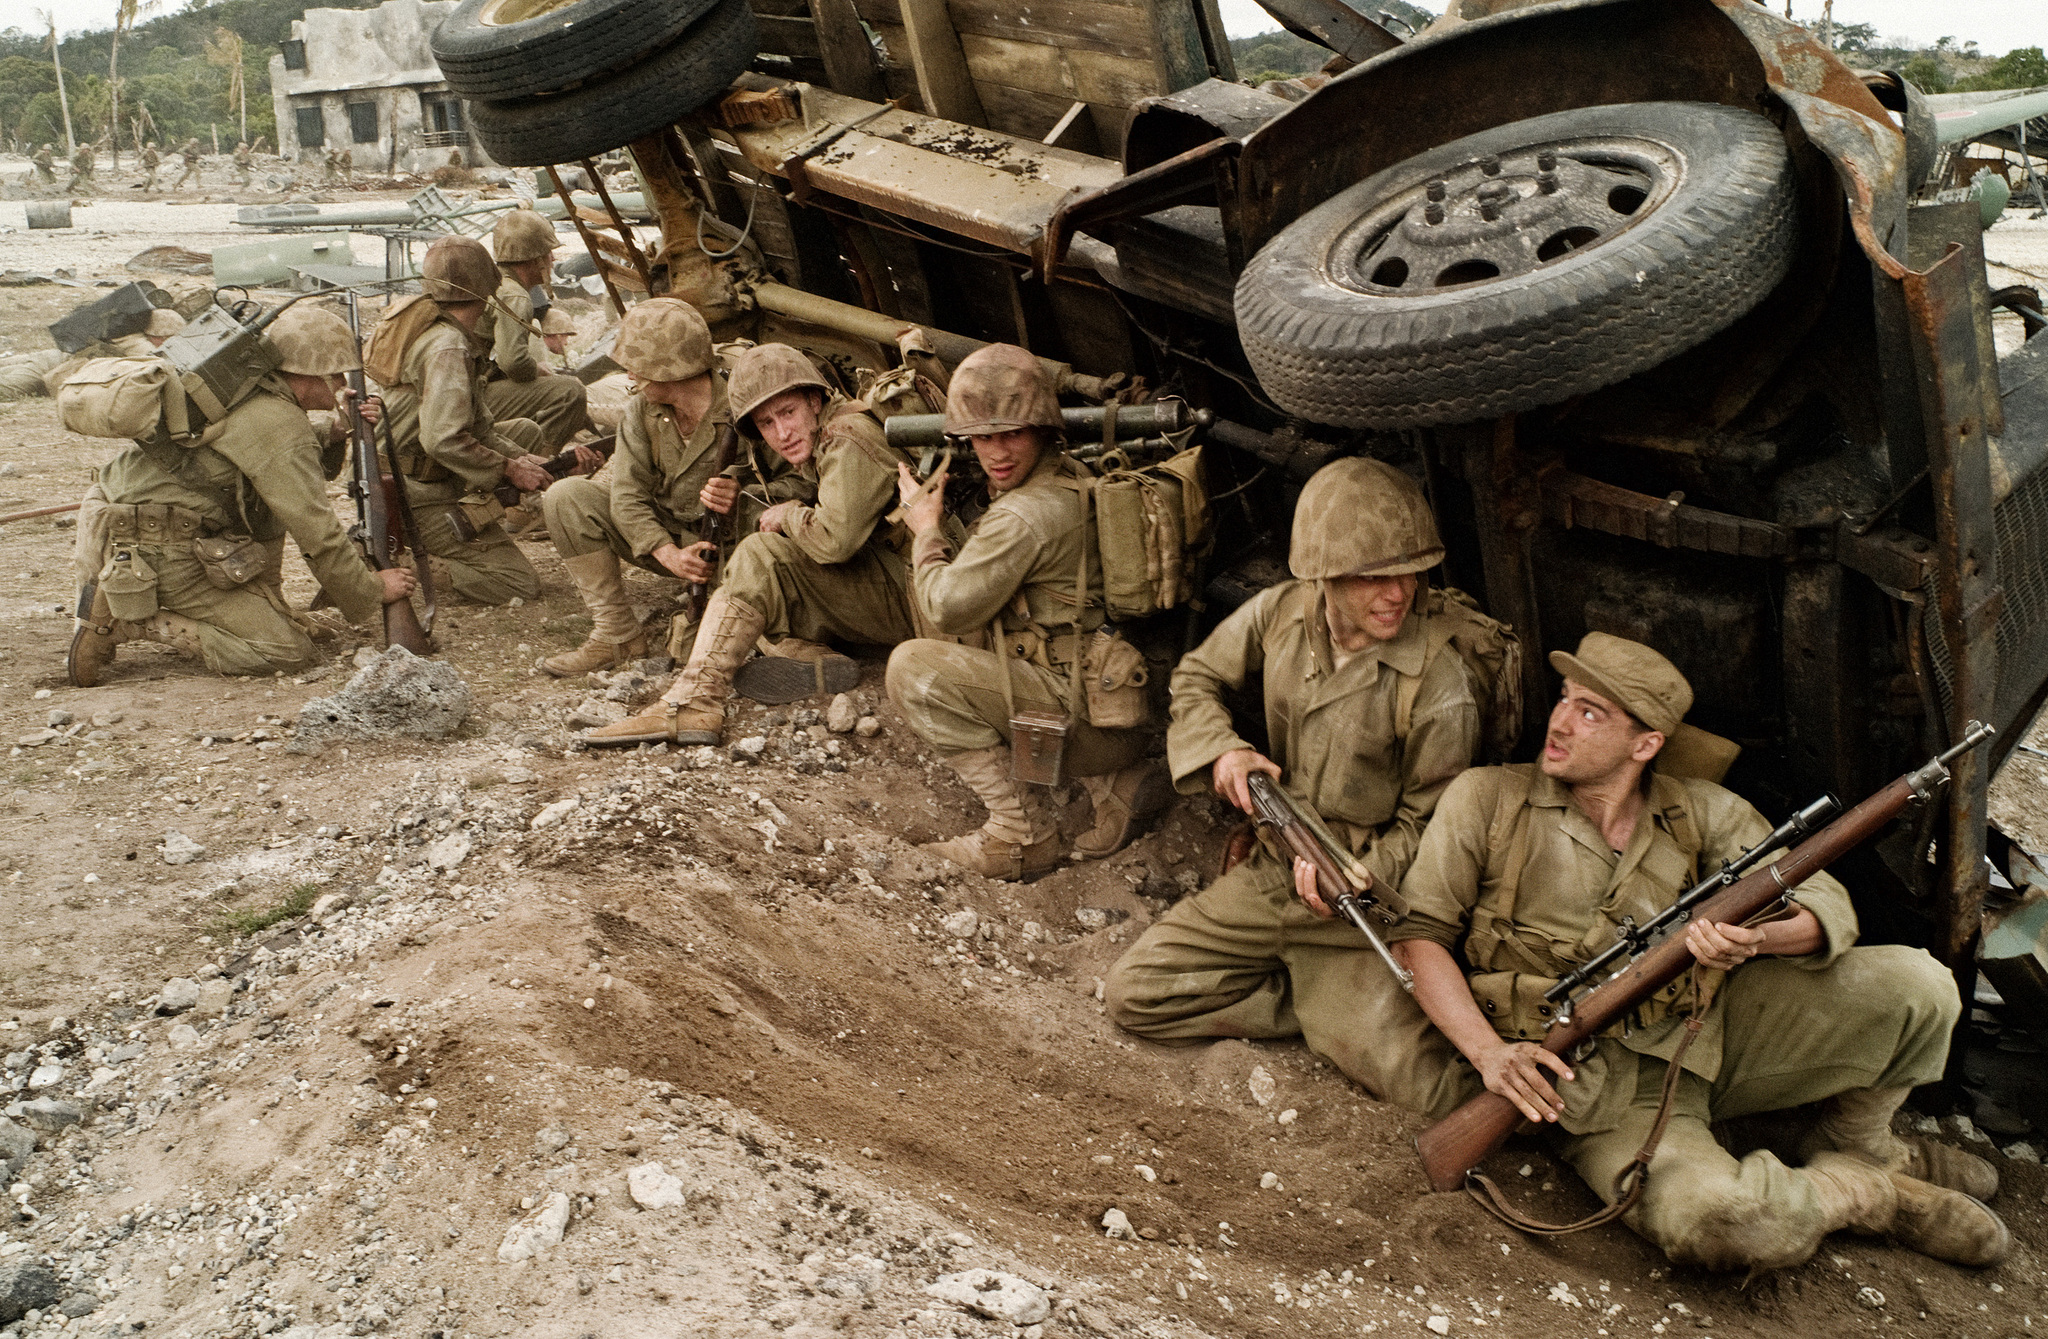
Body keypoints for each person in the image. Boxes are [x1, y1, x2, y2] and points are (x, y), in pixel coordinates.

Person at [1385, 632, 2008, 1272]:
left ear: (1645, 745)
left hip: (1706, 1034)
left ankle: (1858, 1143)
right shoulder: (1487, 798)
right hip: (1592, 1087)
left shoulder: (1701, 811)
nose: (1560, 721)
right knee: (1724, 1224)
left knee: (1924, 986)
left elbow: (1827, 905)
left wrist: (1757, 938)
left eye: (1590, 712)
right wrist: (1488, 1054)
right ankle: (1864, 1191)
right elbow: (1420, 937)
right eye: (1565, 698)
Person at [1103, 457, 1484, 1103]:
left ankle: (1320, 997)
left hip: (1355, 905)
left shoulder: (1440, 686)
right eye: (1374, 576)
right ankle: (1303, 1001)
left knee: (1431, 1091)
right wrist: (1224, 751)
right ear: (1324, 575)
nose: (1398, 593)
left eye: (1412, 572)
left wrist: (1357, 879)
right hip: (1272, 867)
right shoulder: (1282, 612)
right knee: (1134, 994)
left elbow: (1435, 826)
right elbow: (1196, 676)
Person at [878, 344, 1156, 878]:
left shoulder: (1024, 516)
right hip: (1110, 702)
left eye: (1012, 434)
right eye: (983, 437)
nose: (997, 452)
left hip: (1083, 719)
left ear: (1043, 430)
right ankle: (1115, 783)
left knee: (914, 669)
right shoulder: (1070, 475)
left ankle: (1020, 834)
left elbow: (945, 606)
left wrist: (926, 530)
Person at [585, 341, 916, 740]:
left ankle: (694, 702)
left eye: (788, 412)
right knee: (762, 580)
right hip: (905, 586)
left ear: (814, 400)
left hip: (918, 600)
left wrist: (788, 513)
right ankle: (811, 658)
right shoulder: (829, 432)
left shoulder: (847, 436)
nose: (782, 433)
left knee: (762, 555)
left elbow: (834, 542)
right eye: (766, 423)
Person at [67, 305, 414, 685]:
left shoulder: (244, 391)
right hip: (155, 545)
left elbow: (253, 451)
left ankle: (260, 609)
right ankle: (127, 621)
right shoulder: (279, 424)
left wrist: (334, 432)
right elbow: (315, 529)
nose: (343, 382)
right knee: (284, 651)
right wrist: (371, 589)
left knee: (269, 504)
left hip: (119, 520)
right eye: (337, 373)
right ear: (312, 375)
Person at [367, 235, 554, 605]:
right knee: (517, 583)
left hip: (403, 480)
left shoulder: (431, 330)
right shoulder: (448, 345)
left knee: (524, 434)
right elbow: (443, 439)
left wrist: (520, 460)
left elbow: (477, 429)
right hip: (412, 492)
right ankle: (404, 561)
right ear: (488, 288)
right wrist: (509, 469)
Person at [483, 208, 591, 450]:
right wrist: (536, 369)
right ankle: (541, 458)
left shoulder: (495, 282)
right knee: (571, 391)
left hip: (464, 389)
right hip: (470, 397)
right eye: (549, 253)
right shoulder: (515, 295)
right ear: (537, 260)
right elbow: (513, 363)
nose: (553, 259)